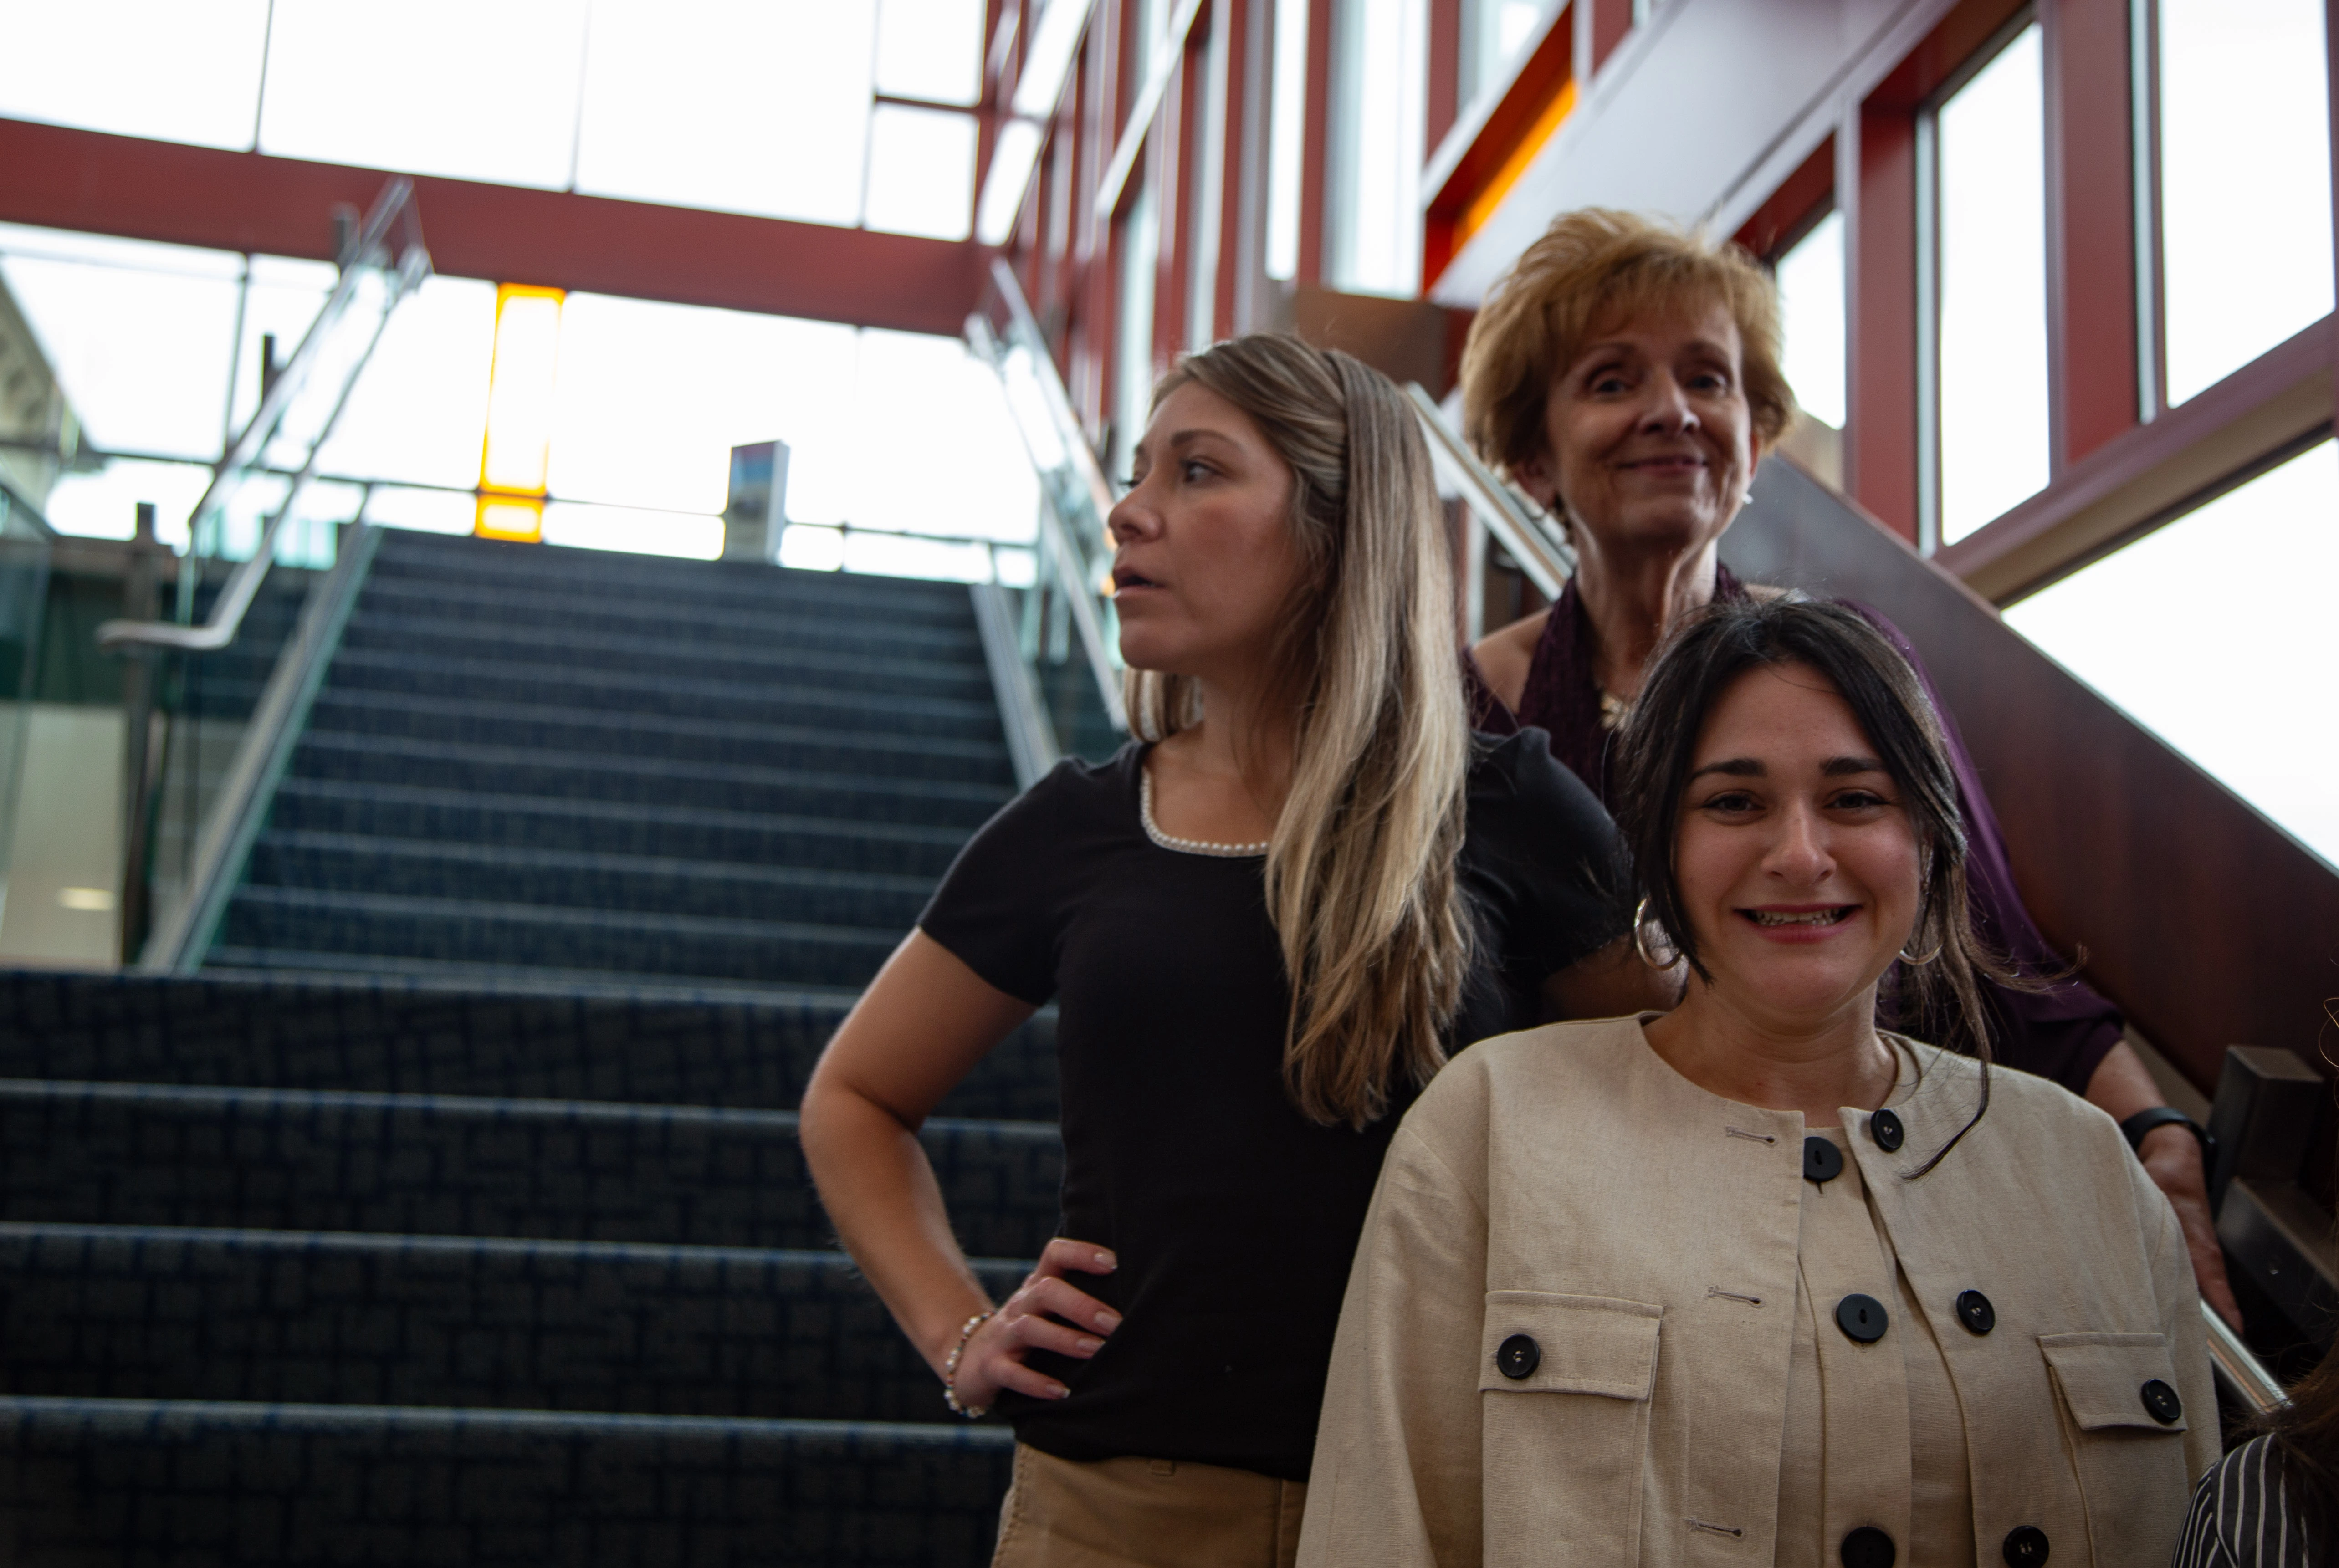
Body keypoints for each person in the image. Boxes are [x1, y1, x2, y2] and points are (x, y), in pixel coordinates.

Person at [800, 334, 1655, 1567]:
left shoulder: (1506, 803)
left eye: (1195, 473)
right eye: (1135, 472)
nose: (1127, 513)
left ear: (1335, 529)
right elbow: (855, 1097)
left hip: (1442, 1494)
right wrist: (959, 1332)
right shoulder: (1075, 827)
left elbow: (1672, 1101)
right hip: (1114, 1505)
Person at [1299, 594, 2218, 1568]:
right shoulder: (1490, 1127)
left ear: (1930, 840)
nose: (1797, 855)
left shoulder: (2086, 1173)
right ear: (1657, 843)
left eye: (1855, 799)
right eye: (1733, 802)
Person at [1454, 207, 2238, 1325]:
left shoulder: (1850, 667)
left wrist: (2153, 1138)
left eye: (1708, 381)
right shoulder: (1466, 713)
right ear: (1532, 455)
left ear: (1754, 440)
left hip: (1845, 1227)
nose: (1671, 411)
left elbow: (1990, 948)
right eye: (1612, 380)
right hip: (1577, 1249)